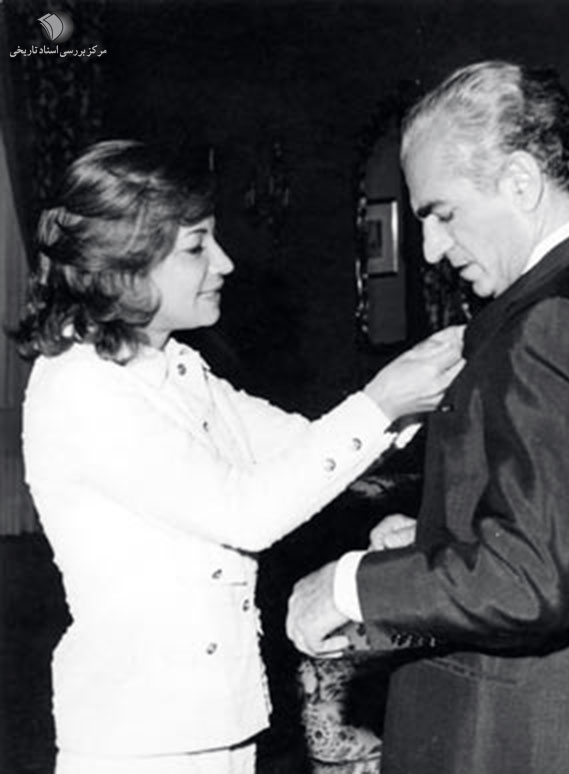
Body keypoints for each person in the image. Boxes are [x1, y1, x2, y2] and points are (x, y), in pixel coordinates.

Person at [286, 61, 569, 774]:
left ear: (521, 181)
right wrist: (441, 535)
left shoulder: (554, 323)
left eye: (442, 214)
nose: (432, 251)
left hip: (528, 735)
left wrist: (350, 584)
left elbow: (530, 581)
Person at [15, 139, 466, 774]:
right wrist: (382, 402)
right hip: (141, 736)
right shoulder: (83, 387)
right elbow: (246, 513)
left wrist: (418, 390)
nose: (224, 262)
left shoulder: (170, 365)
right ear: (127, 264)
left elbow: (300, 445)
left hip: (216, 719)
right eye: (196, 246)